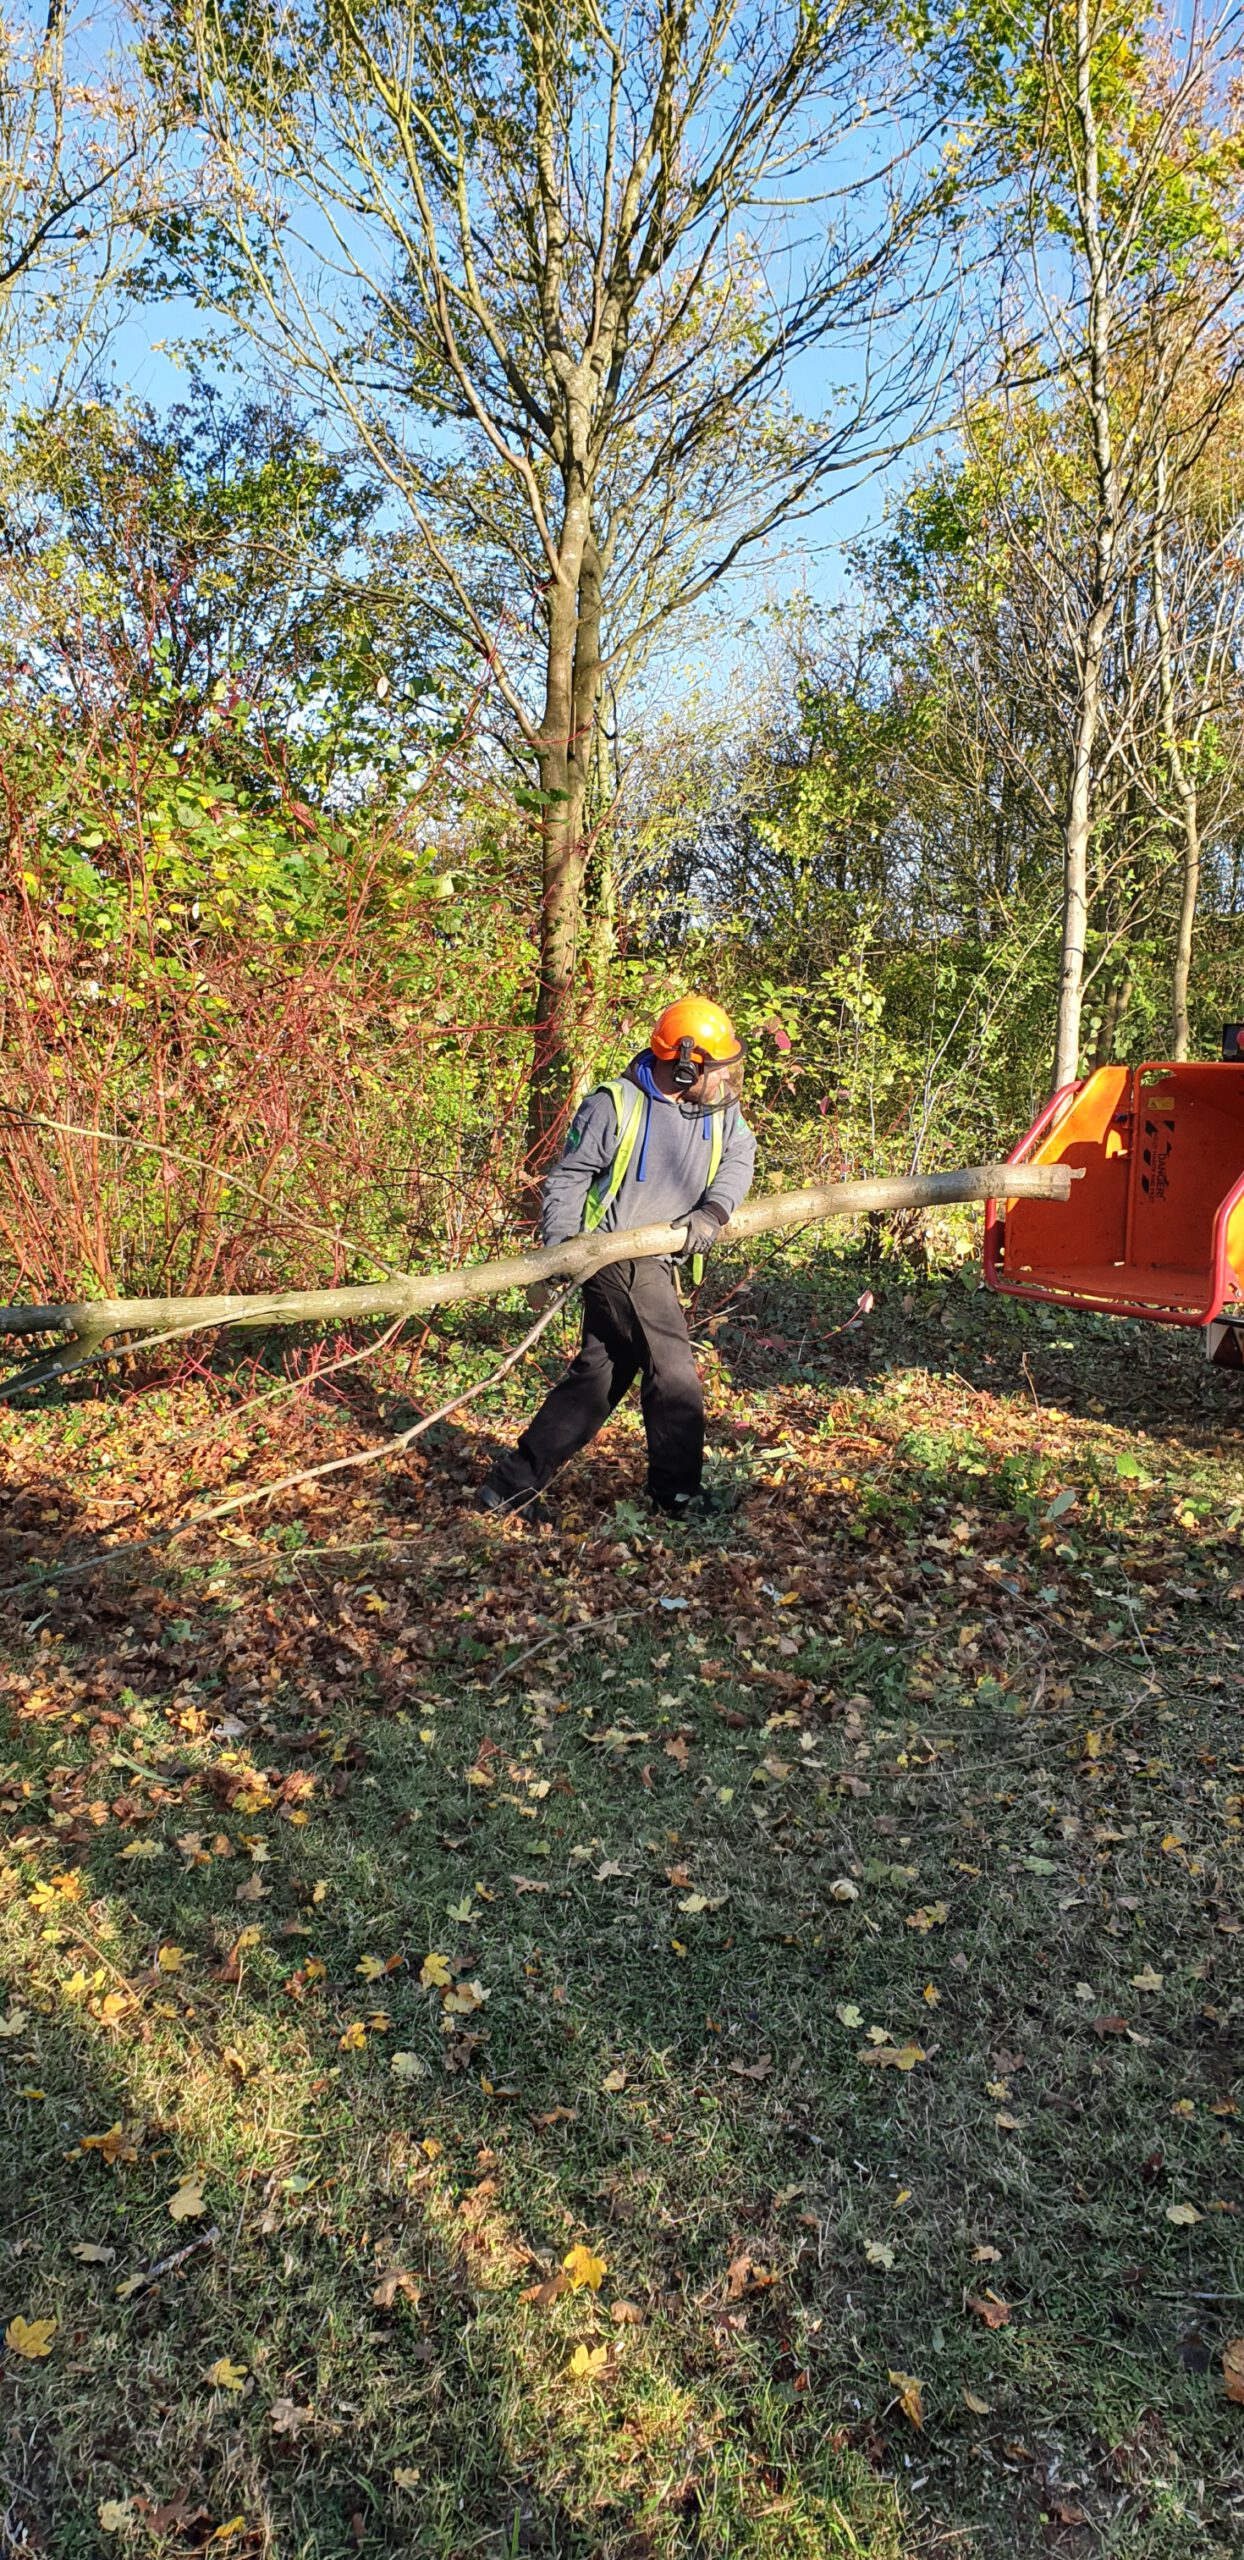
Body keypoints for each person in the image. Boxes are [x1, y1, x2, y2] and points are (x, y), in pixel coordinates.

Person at [475, 997, 756, 1519]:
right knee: (673, 1369)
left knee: (600, 1375)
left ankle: (510, 1485)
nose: (724, 1079)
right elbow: (569, 1177)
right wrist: (562, 1250)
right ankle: (677, 1494)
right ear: (685, 1064)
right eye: (716, 1069)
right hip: (615, 1252)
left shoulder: (719, 1107)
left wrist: (714, 1211)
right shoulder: (615, 1105)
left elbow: (741, 1157)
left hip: (662, 1256)